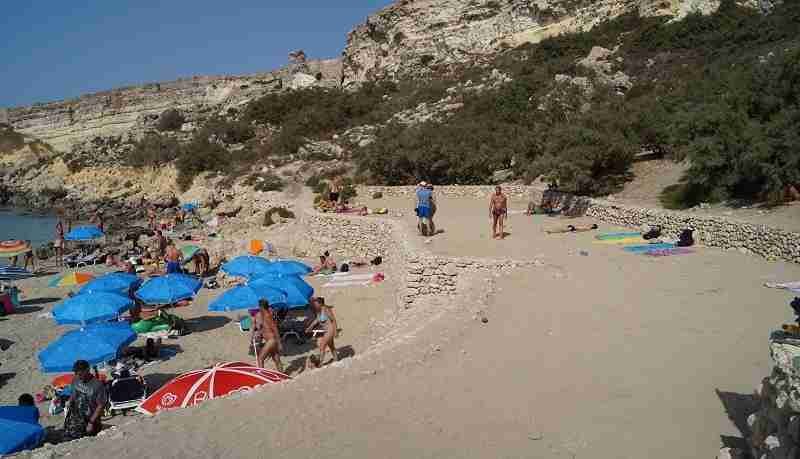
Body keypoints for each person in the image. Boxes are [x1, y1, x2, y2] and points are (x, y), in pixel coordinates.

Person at [64, 360, 107, 439]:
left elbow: (100, 406)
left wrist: (91, 423)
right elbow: (73, 395)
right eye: (76, 373)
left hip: (90, 420)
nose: (77, 376)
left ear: (87, 370)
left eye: (80, 374)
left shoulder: (97, 385)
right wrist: (69, 401)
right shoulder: (75, 380)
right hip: (75, 417)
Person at [304, 297, 338, 369]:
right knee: (331, 346)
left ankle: (320, 364)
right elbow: (316, 320)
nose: (314, 305)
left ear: (320, 303)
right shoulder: (318, 311)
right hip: (325, 330)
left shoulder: (326, 309)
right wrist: (310, 327)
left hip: (330, 329)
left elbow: (333, 320)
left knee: (322, 345)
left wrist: (336, 331)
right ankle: (336, 359)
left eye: (316, 304)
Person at [256, 300, 283, 372]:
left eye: (259, 306)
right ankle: (283, 375)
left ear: (261, 307)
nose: (258, 308)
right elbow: (266, 329)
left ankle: (262, 375)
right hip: (270, 340)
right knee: (276, 358)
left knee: (260, 358)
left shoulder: (267, 315)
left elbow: (275, 329)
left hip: (271, 340)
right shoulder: (265, 315)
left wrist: (279, 343)